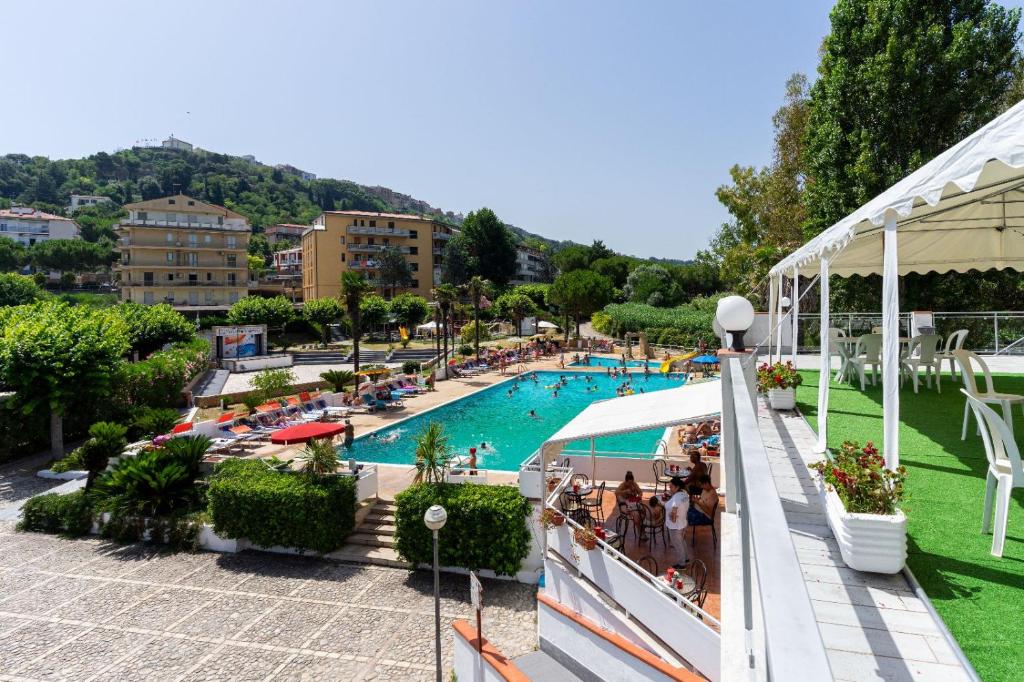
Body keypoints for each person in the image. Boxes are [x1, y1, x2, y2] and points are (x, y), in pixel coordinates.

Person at [663, 476, 690, 569]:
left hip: (675, 525)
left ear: (677, 487)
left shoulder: (676, 499)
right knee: (681, 541)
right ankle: (686, 558)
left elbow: (674, 509)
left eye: (671, 487)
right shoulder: (684, 494)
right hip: (683, 522)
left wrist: (672, 518)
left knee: (677, 544)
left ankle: (682, 563)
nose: (670, 489)